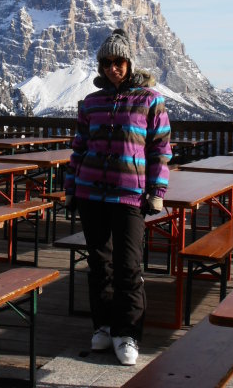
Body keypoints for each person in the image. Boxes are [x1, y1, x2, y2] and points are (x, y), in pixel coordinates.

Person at [64, 29, 172, 366]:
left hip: (130, 196)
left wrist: (157, 191)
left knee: (128, 266)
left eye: (119, 61)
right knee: (99, 264)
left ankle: (128, 333)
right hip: (91, 193)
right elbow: (79, 149)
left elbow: (160, 150)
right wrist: (71, 188)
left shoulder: (150, 100)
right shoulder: (91, 102)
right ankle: (104, 325)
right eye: (107, 62)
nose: (113, 67)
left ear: (129, 62)